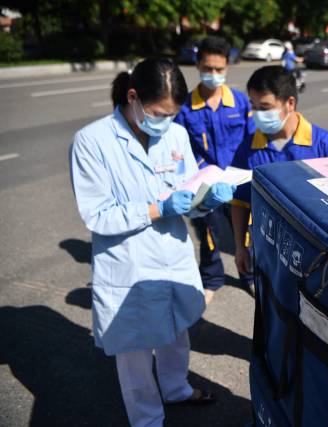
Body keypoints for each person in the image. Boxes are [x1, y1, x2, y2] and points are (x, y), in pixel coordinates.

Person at [69, 58, 236, 427]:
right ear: (133, 97)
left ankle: (176, 388)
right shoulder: (92, 142)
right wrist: (158, 209)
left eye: (173, 115)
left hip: (171, 256)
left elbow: (187, 192)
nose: (166, 123)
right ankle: (147, 420)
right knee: (135, 351)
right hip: (128, 262)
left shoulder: (175, 135)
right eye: (160, 114)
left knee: (176, 331)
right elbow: (98, 215)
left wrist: (205, 201)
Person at [230, 65, 328, 278]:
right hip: (266, 254)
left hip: (315, 258)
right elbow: (239, 202)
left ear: (290, 103)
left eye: (265, 107)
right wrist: (240, 247)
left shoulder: (325, 146)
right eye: (253, 106)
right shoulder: (247, 148)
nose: (257, 114)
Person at [175, 36, 255, 303]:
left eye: (219, 69)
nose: (213, 74)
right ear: (198, 65)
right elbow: (183, 149)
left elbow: (251, 140)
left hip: (237, 183)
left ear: (227, 67)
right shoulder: (185, 108)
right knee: (207, 232)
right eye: (208, 68)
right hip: (204, 184)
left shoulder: (240, 103)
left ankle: (248, 275)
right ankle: (211, 278)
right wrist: (203, 173)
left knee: (245, 232)